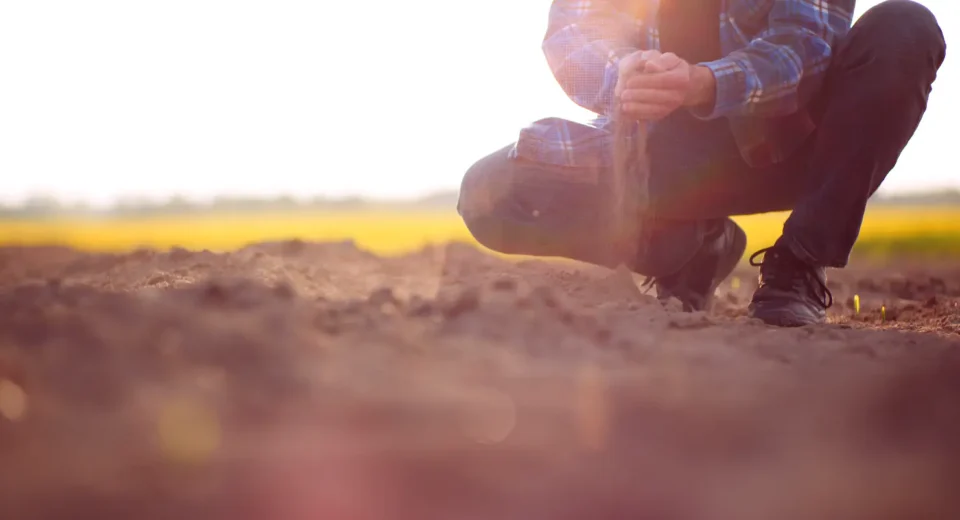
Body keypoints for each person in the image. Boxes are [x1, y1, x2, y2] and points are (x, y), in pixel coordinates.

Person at [457, 0, 946, 326]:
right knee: (491, 191)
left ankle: (800, 261)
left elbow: (806, 45)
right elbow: (573, 30)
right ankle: (687, 247)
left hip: (796, 140)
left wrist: (704, 82)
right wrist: (622, 71)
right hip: (664, 151)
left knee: (905, 28)